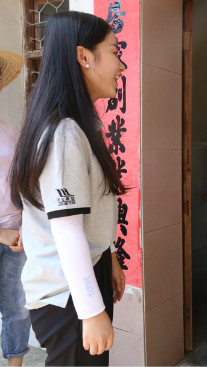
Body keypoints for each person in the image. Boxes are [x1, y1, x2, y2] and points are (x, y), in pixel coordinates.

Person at [9, 11, 126, 366]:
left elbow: (82, 220)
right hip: (68, 297)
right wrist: (91, 311)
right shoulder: (64, 133)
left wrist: (110, 259)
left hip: (84, 277)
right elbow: (67, 227)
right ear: (84, 57)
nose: (121, 65)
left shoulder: (75, 125)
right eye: (115, 51)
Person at [0, 50, 30, 367]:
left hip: (16, 235)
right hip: (5, 234)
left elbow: (24, 179)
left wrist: (23, 226)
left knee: (17, 307)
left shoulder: (8, 131)